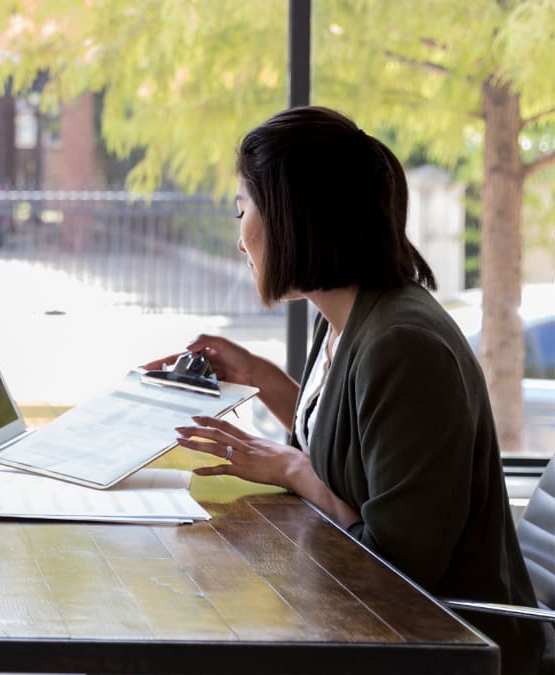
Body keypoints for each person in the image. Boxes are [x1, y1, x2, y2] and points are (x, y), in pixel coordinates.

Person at [147, 106, 544, 674]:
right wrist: (259, 378)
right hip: (368, 618)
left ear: (293, 217)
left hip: (441, 640)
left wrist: (290, 471)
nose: (240, 241)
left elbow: (397, 569)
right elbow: (341, 447)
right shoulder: (344, 316)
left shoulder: (404, 346)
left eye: (243, 212)